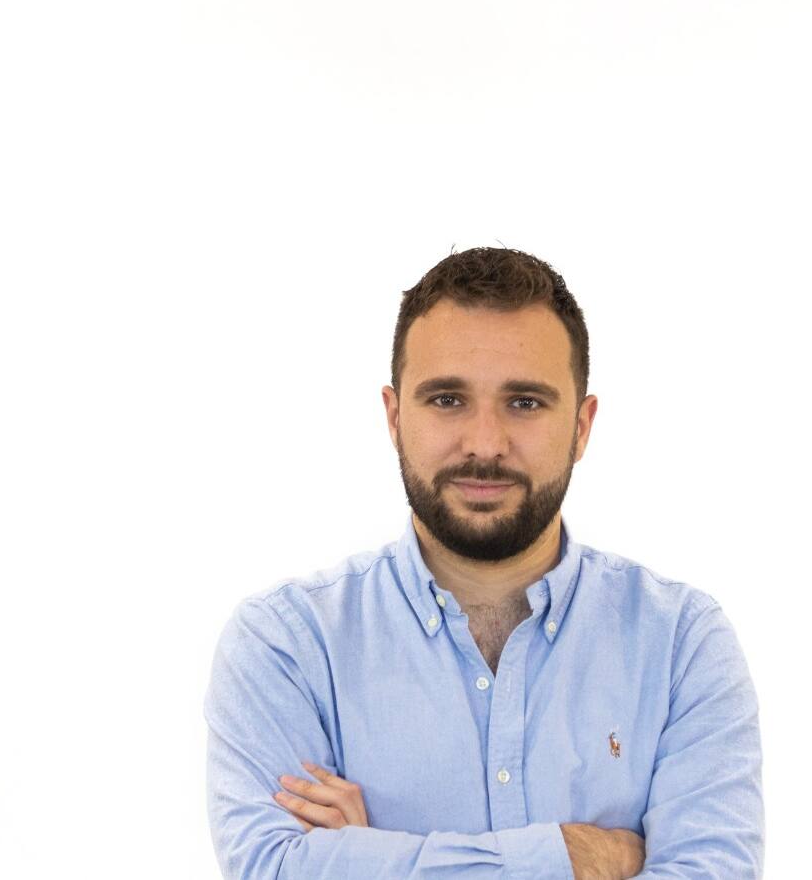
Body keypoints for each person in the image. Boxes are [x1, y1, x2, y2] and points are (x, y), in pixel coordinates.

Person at [204, 247, 764, 878]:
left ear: (582, 426)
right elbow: (274, 869)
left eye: (524, 402)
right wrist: (574, 856)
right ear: (394, 417)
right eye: (447, 399)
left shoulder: (681, 642)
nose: (485, 444)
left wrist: (368, 859)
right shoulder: (287, 644)